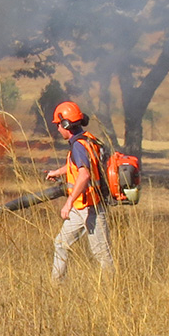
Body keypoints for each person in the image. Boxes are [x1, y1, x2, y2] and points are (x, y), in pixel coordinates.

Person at [44, 100, 114, 281]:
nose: (58, 129)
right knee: (60, 243)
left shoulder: (77, 146)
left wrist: (67, 203)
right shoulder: (88, 139)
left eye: (58, 125)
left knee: (102, 255)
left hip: (92, 209)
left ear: (66, 124)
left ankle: (113, 292)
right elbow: (76, 165)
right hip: (81, 207)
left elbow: (84, 175)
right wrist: (57, 172)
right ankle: (56, 287)